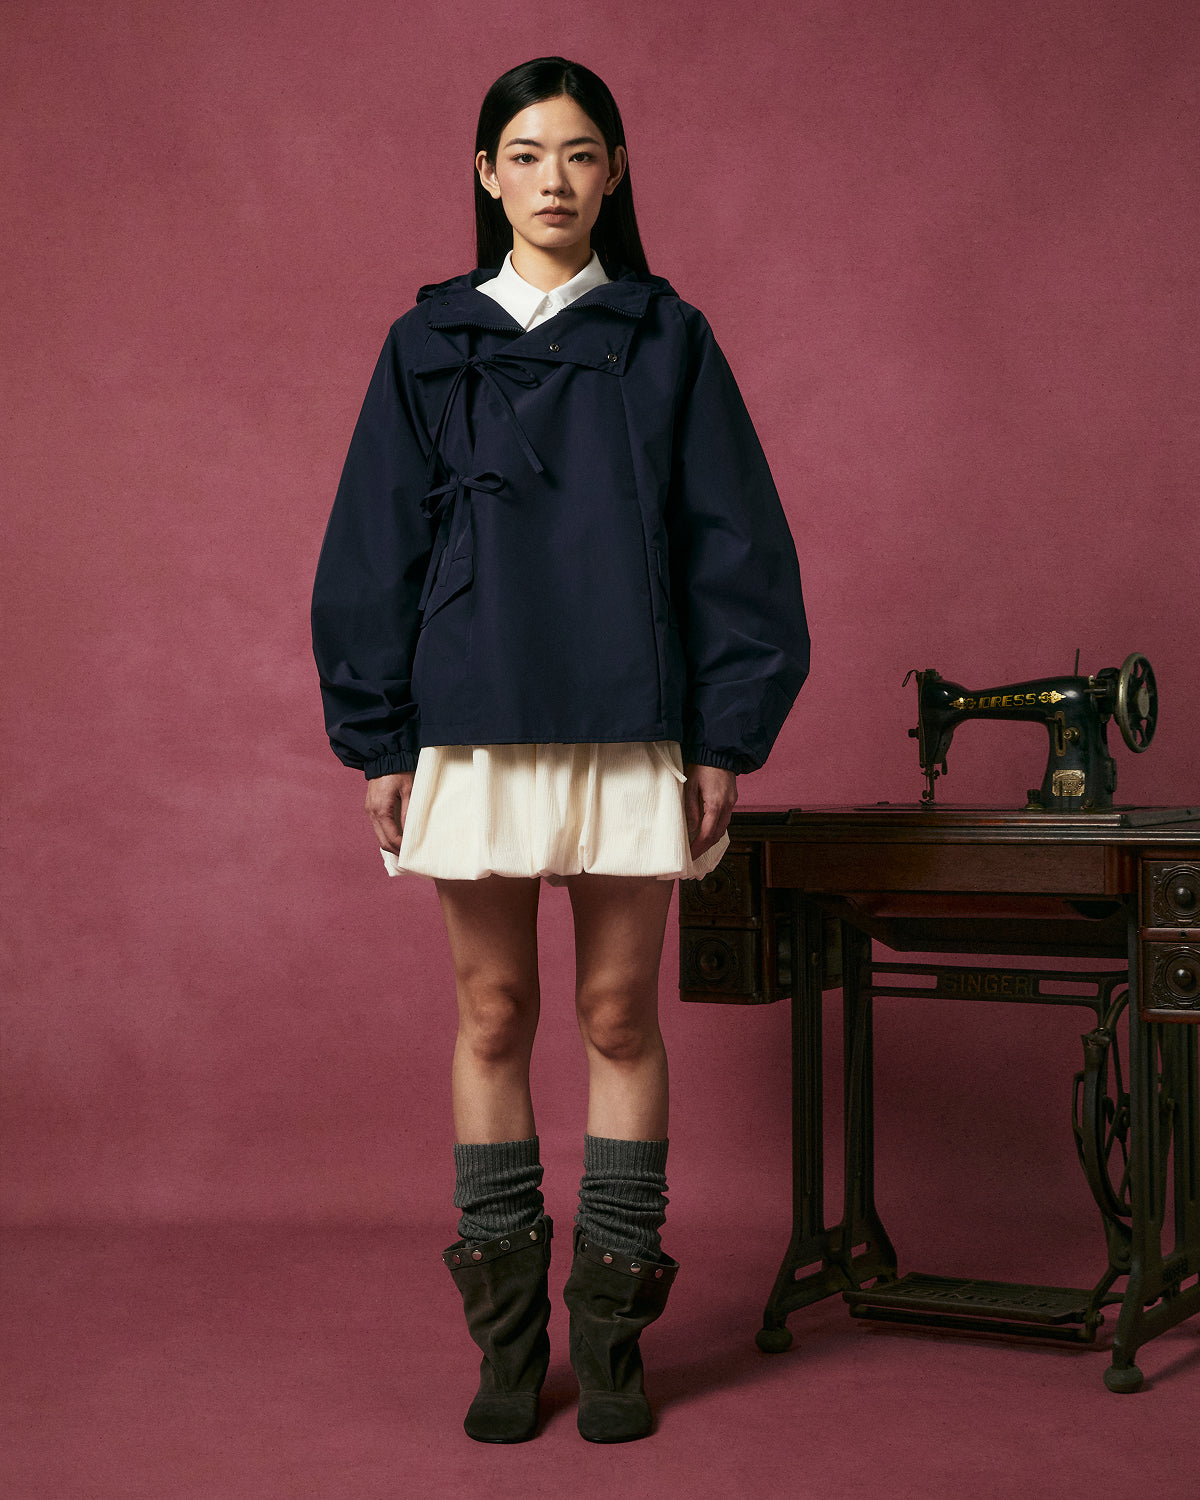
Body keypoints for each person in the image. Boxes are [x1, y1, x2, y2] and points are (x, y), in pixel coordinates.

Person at [311, 55, 809, 1445]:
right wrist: (379, 739)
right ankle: (506, 1342)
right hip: (468, 717)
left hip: (630, 715)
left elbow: (735, 545)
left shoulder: (667, 337)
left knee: (613, 1017)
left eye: (581, 155)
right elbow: (373, 548)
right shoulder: (425, 344)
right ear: (486, 176)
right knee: (490, 1016)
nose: (554, 181)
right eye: (526, 155)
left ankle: (613, 1330)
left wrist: (725, 734)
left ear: (616, 174)